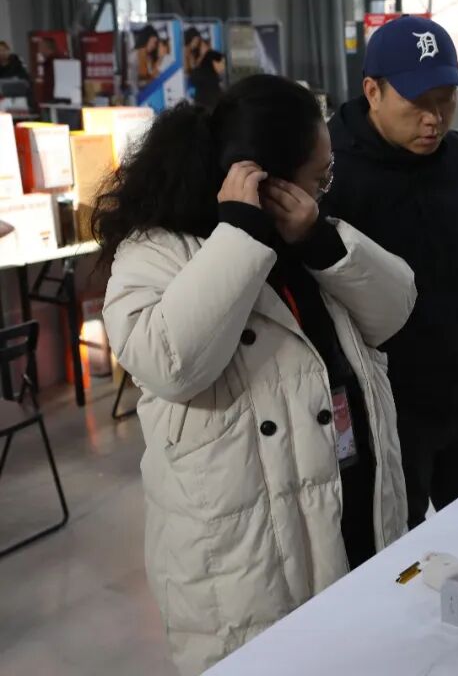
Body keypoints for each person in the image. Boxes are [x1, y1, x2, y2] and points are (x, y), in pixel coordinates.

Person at [95, 75, 415, 675]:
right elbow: (169, 365)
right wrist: (240, 236)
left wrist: (320, 241)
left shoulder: (306, 233)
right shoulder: (157, 252)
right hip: (250, 559)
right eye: (318, 176)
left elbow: (395, 308)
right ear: (265, 179)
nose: (323, 189)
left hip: (352, 515)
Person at [323, 16, 458, 530]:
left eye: (446, 100)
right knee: (400, 548)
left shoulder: (455, 156)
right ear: (372, 91)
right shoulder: (334, 172)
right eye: (418, 103)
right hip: (390, 406)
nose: (434, 119)